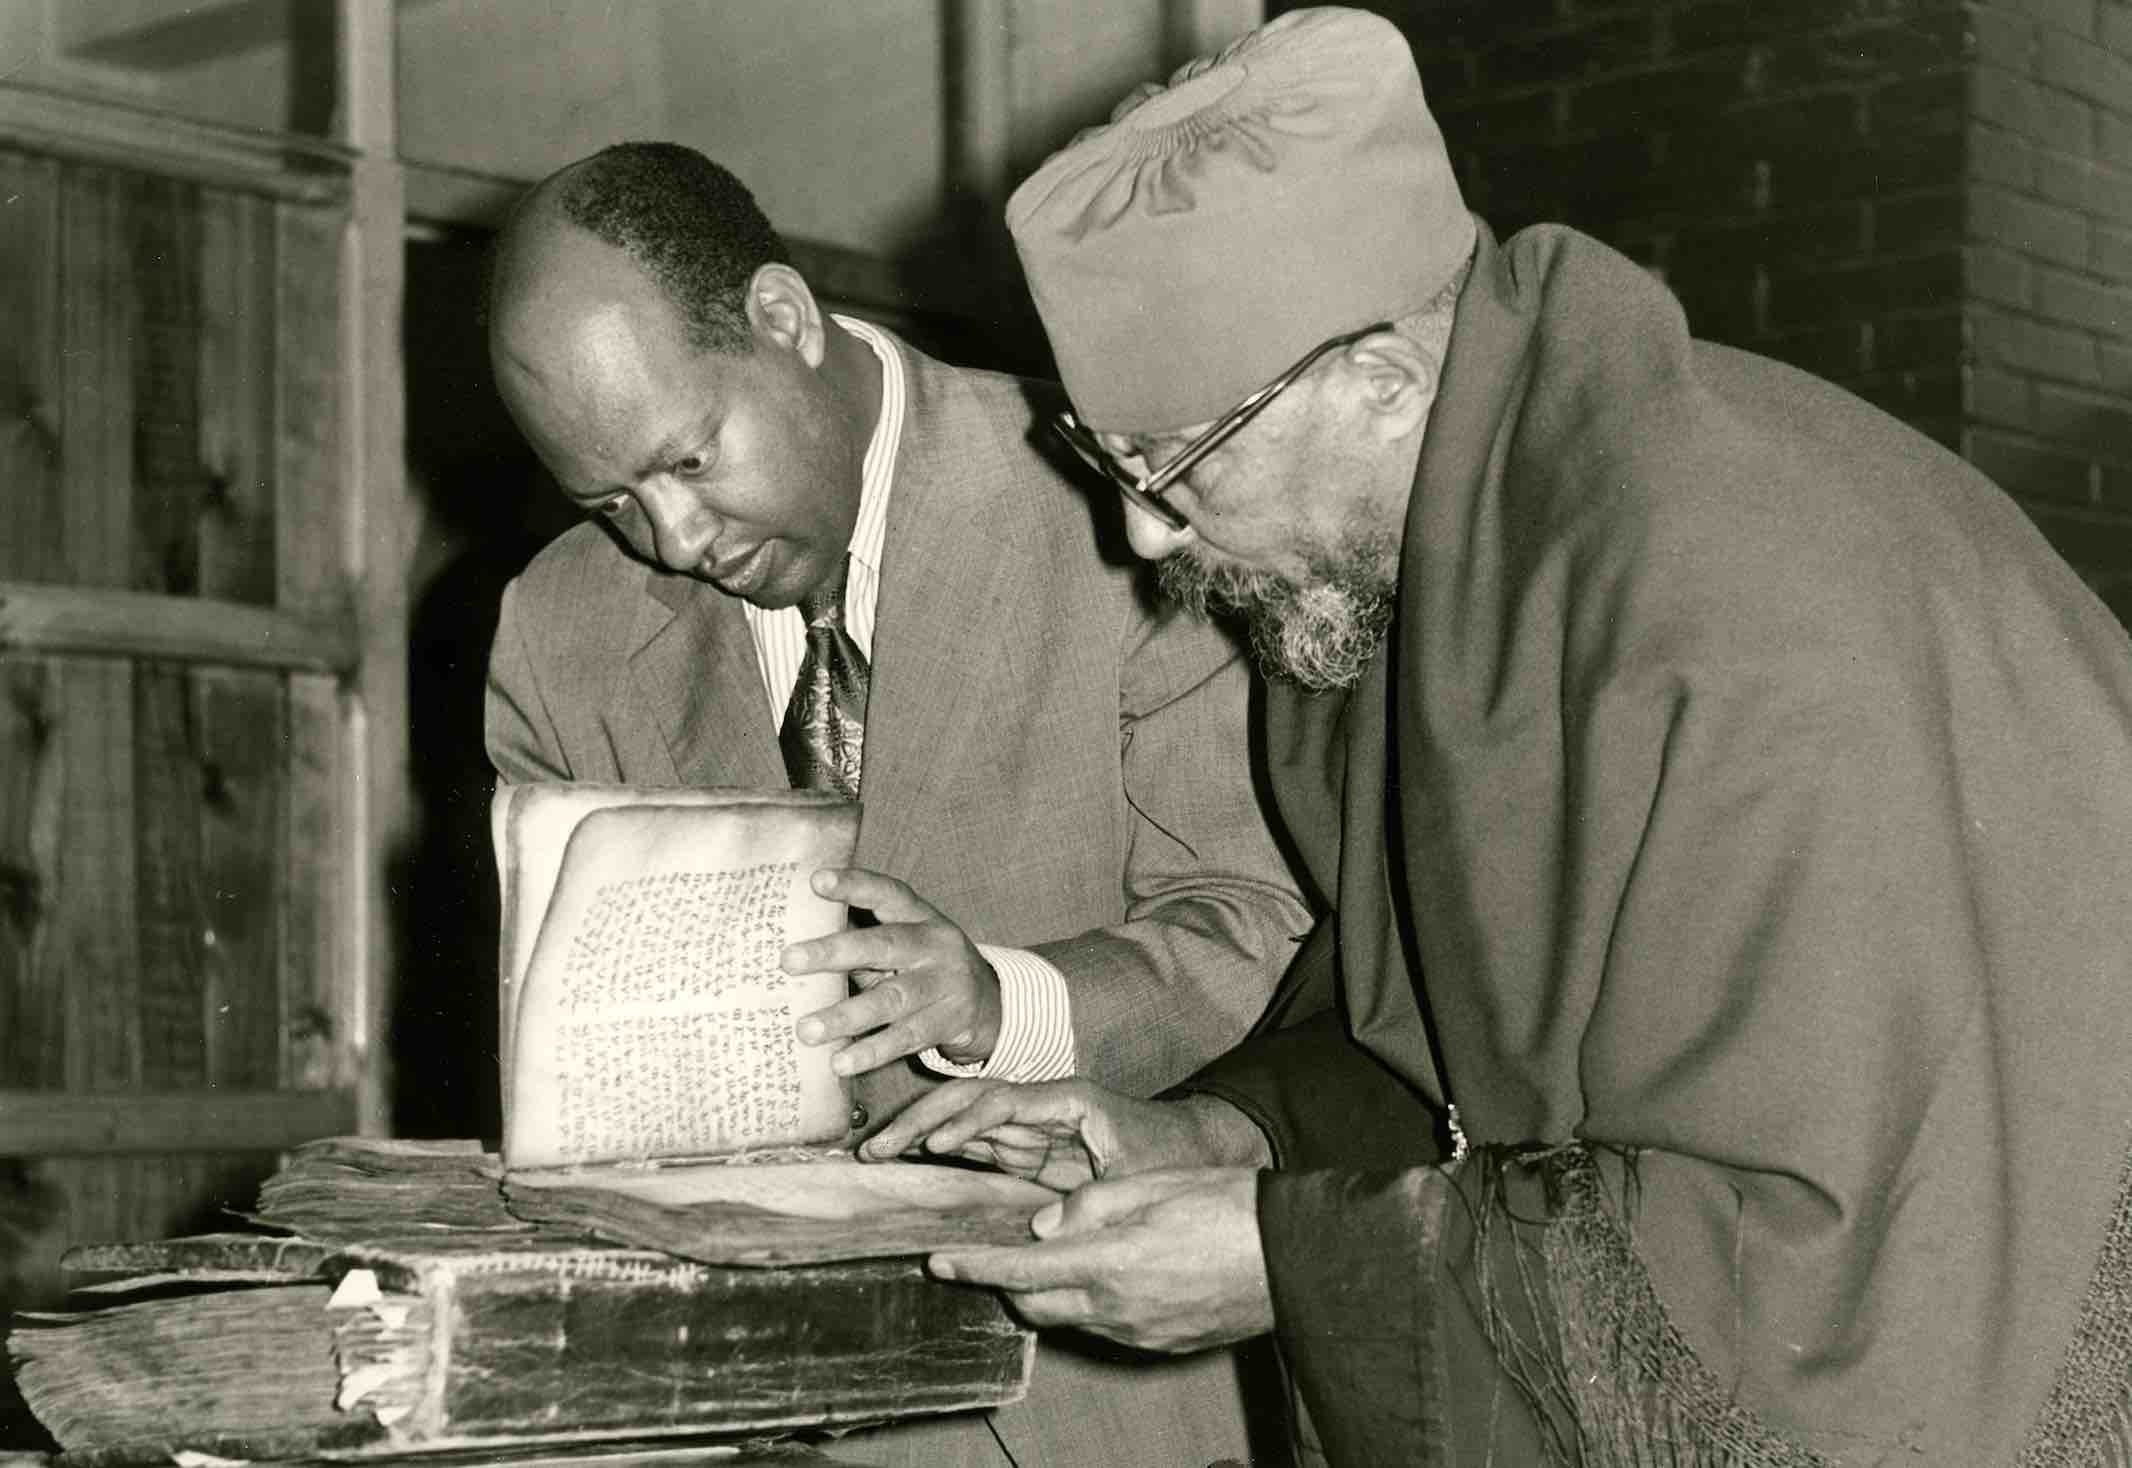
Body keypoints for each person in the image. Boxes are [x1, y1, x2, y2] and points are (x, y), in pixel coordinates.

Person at [863, 9, 2132, 1465]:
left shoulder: (1737, 614)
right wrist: (1232, 1140)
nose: (1144, 534)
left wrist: (1287, 1259)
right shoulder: (1434, 560)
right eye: (1109, 459)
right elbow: (1450, 1024)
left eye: (1176, 463)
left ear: (1384, 385)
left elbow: (1826, 1273)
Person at [482, 143, 1311, 1468]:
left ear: (784, 318)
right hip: (754, 1420)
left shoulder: (1122, 496)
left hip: (1118, 1410)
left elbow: (1265, 932)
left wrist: (999, 1005)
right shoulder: (557, 630)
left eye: (689, 457)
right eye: (612, 500)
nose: (676, 538)